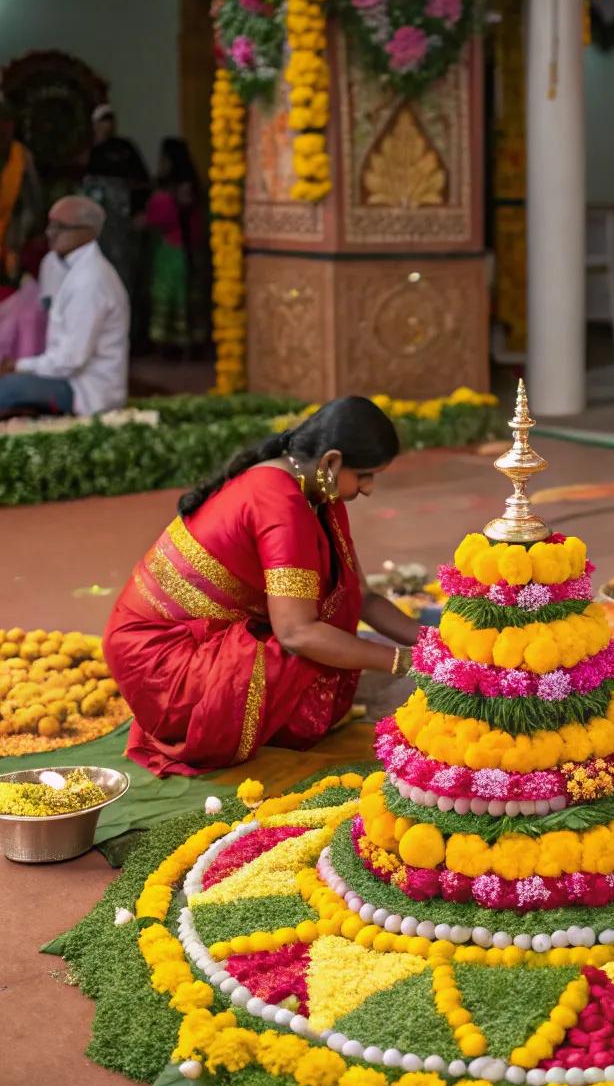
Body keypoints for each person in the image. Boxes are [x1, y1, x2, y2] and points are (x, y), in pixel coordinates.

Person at [104, 397, 419, 776]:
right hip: (162, 663)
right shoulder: (280, 502)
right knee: (316, 649)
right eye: (366, 475)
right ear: (332, 461)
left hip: (207, 639)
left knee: (339, 636)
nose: (368, 488)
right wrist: (406, 663)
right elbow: (297, 633)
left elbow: (362, 596)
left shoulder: (317, 488)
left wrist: (435, 641)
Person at [0, 195, 129, 417]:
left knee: (7, 390)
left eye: (60, 227)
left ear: (88, 232)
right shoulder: (52, 263)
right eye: (49, 225)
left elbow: (72, 360)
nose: (50, 233)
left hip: (87, 390)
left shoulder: (92, 280)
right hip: (58, 374)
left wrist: (19, 367)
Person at [84, 104, 149, 343]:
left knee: (125, 277)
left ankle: (131, 336)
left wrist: (140, 211)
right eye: (102, 120)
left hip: (123, 228)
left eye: (110, 120)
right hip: (98, 231)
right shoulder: (88, 152)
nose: (107, 125)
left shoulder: (125, 149)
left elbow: (141, 182)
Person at [144, 136, 208, 356]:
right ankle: (191, 344)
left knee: (171, 296)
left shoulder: (166, 194)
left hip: (172, 251)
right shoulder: (194, 187)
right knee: (188, 296)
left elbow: (157, 220)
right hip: (191, 251)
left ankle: (169, 347)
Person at [0, 100, 45, 289]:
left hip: (13, 232)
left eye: (7, 123)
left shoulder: (22, 156)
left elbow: (33, 197)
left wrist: (34, 228)